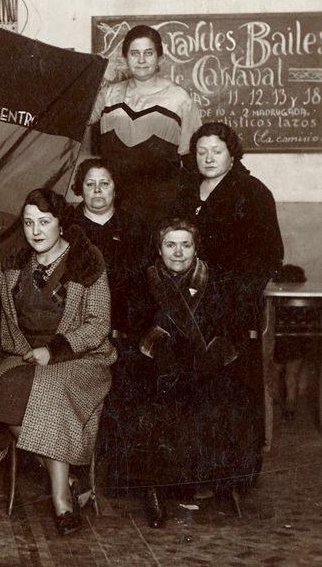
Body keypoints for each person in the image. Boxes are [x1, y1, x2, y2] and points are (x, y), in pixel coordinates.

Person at [0, 189, 116, 536]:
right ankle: (69, 476)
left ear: (61, 224)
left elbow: (99, 324)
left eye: (44, 222)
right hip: (23, 354)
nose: (36, 231)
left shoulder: (87, 260)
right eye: (28, 223)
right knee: (1, 393)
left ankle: (61, 501)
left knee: (51, 390)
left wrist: (54, 350)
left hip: (79, 357)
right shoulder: (13, 264)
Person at [171, 121, 283, 466]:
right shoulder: (186, 190)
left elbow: (268, 256)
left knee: (225, 383)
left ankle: (228, 470)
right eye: (201, 151)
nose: (208, 158)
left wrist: (227, 297)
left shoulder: (252, 192)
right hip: (184, 303)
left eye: (216, 151)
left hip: (229, 307)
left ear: (232, 154)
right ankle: (186, 467)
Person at [133, 218, 257, 528]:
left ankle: (210, 480)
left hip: (206, 363)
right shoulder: (145, 282)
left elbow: (231, 326)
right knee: (159, 401)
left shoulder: (214, 281)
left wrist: (213, 354)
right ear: (159, 250)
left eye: (185, 245)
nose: (178, 252)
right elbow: (134, 325)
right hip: (160, 365)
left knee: (220, 399)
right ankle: (158, 489)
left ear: (196, 248)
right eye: (170, 245)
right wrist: (159, 346)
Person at [63, 158, 151, 487]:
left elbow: (144, 288)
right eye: (90, 184)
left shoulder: (135, 228)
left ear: (116, 188)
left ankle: (120, 471)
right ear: (80, 190)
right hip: (79, 333)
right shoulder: (67, 228)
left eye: (105, 183)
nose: (97, 191)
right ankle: (74, 470)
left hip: (123, 333)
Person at [91, 24, 202, 224]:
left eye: (148, 53)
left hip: (162, 209)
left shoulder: (179, 99)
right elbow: (76, 119)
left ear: (160, 58)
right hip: (112, 209)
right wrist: (102, 77)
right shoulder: (109, 94)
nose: (141, 60)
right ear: (124, 58)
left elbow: (192, 160)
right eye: (134, 53)